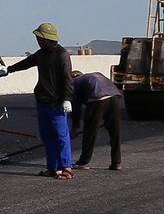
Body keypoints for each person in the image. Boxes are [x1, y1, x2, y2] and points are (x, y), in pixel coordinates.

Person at [22, 21, 76, 179]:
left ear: (45, 38)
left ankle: (67, 167)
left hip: (57, 103)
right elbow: (26, 63)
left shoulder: (62, 54)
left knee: (61, 136)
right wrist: (8, 69)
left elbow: (68, 79)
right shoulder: (41, 54)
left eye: (39, 37)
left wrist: (67, 99)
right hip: (42, 101)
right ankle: (52, 167)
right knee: (47, 136)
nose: (37, 40)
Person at [72, 66, 124, 171]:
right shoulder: (91, 77)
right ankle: (116, 162)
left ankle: (83, 162)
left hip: (97, 97)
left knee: (90, 131)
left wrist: (74, 127)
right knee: (114, 132)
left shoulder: (75, 83)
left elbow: (76, 107)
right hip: (115, 97)